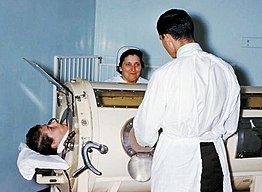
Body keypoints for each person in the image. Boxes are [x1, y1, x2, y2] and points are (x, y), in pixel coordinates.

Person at [133, 9, 240, 192]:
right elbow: (230, 125)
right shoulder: (225, 69)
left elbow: (145, 132)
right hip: (213, 157)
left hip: (177, 161)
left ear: (166, 38)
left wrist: (151, 141)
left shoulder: (164, 75)